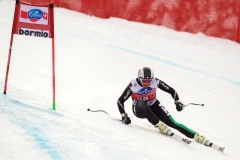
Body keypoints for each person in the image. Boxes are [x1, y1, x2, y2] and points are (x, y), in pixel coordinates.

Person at [117, 67, 210, 146]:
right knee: (141, 102)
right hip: (139, 110)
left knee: (173, 123)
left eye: (149, 81)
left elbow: (171, 90)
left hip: (154, 105)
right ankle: (158, 124)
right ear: (139, 78)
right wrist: (124, 116)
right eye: (144, 81)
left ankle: (195, 136)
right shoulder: (133, 85)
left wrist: (177, 102)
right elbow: (120, 101)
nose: (146, 83)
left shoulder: (155, 81)